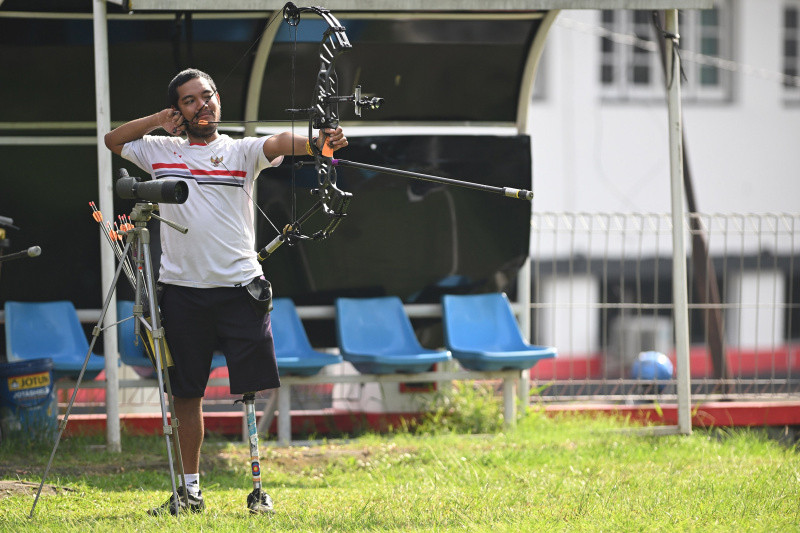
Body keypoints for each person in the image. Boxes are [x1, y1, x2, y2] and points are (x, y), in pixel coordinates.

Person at [104, 68, 348, 515]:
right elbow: (113, 140)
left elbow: (277, 143)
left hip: (240, 288)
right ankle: (189, 491)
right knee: (185, 393)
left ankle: (258, 491)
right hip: (181, 291)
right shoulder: (160, 150)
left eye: (208, 96)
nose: (204, 105)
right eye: (191, 100)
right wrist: (158, 120)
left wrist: (318, 142)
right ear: (177, 110)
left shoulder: (239, 150)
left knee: (252, 389)